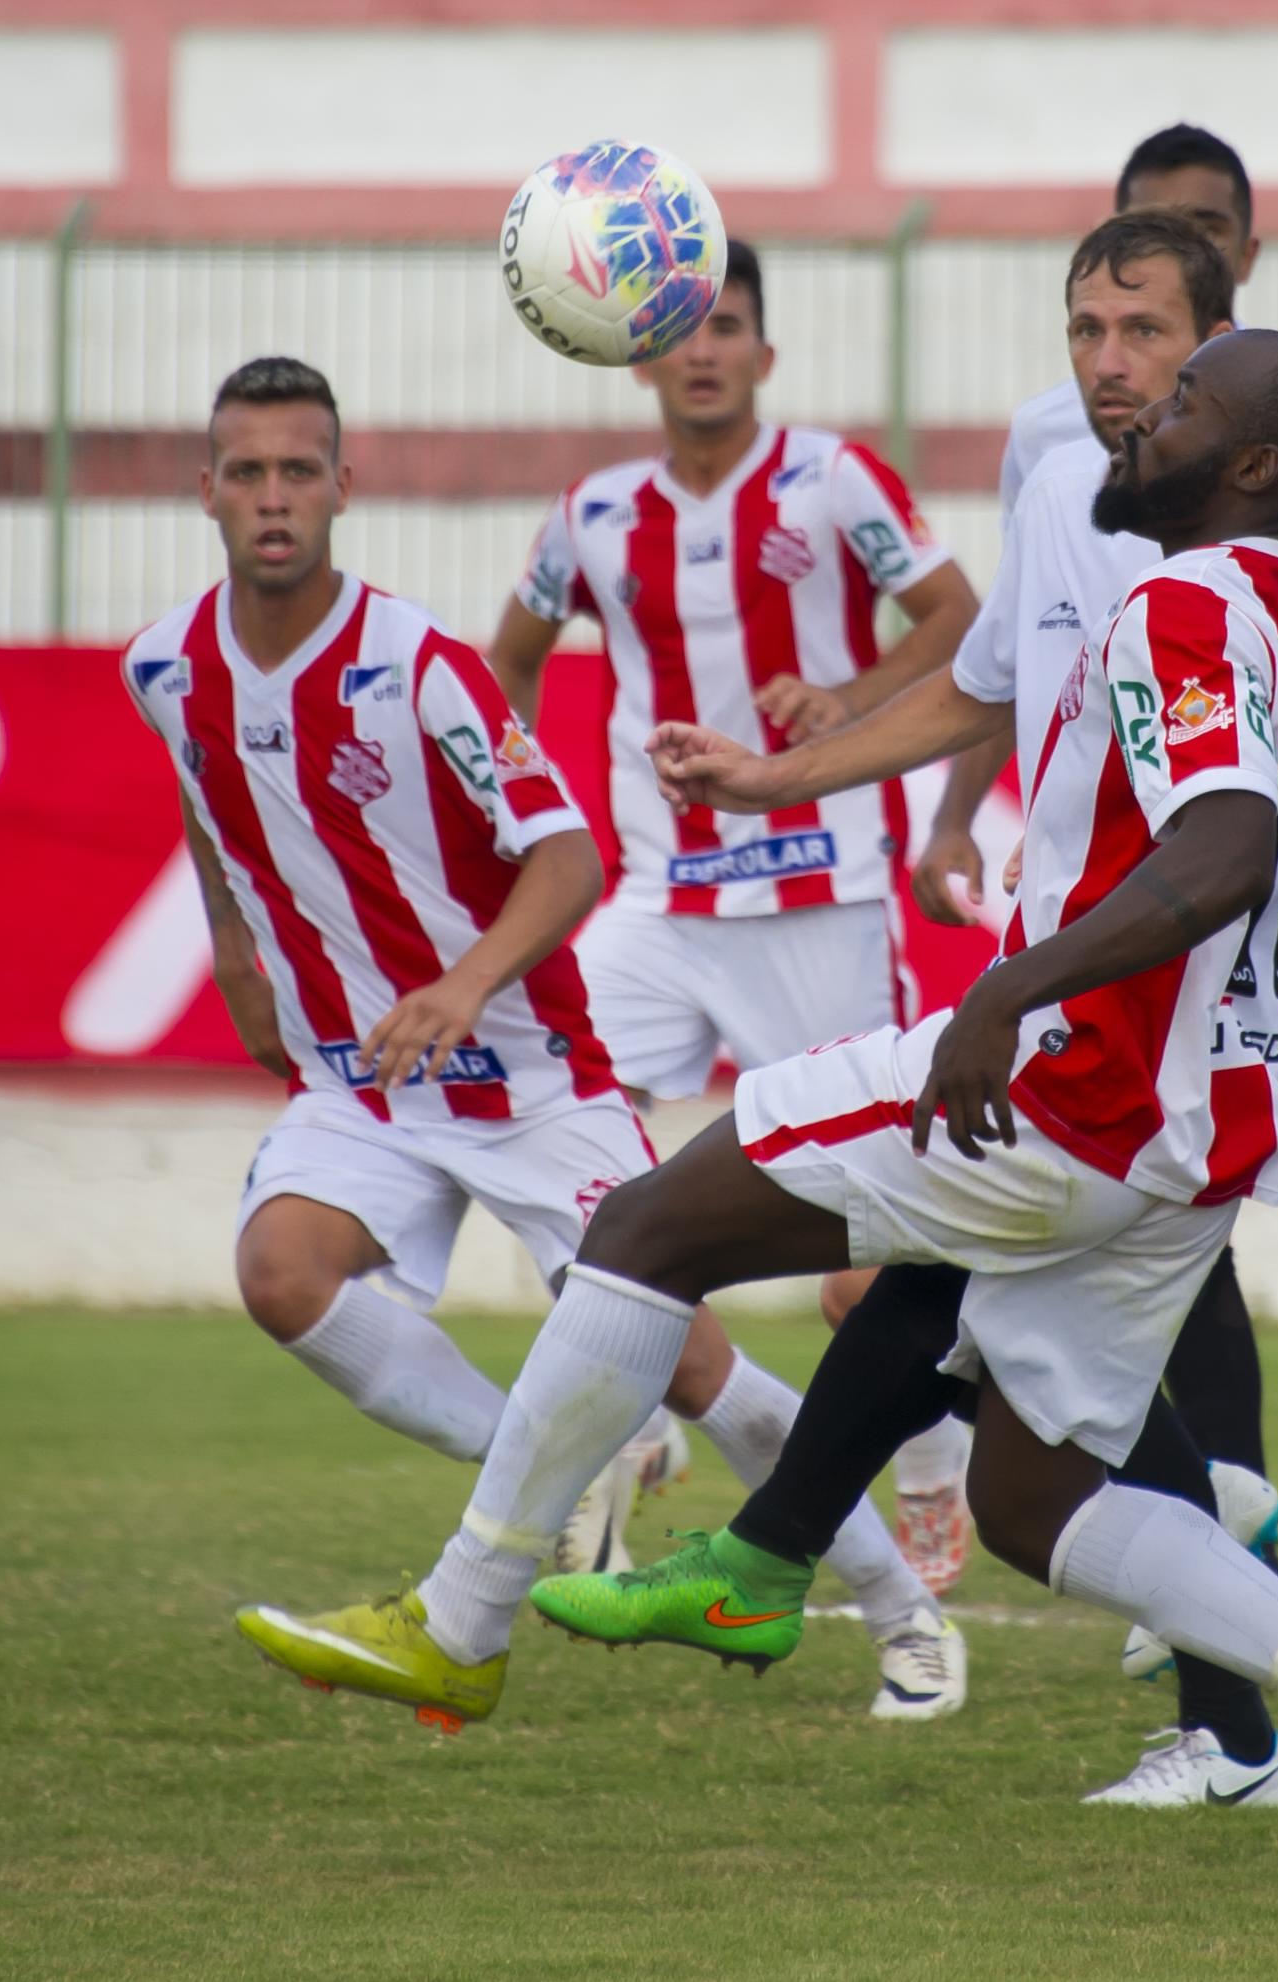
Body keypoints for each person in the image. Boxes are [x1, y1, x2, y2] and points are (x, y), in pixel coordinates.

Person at [239, 329, 1278, 1894]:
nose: (1137, 403)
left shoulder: (1186, 601)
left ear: (1249, 465)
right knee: (1032, 1496)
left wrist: (1004, 988)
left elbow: (1224, 846)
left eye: (1184, 400)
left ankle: (460, 1620)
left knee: (643, 1228)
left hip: (1071, 1089)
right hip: (1201, 1127)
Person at [122, 354, 677, 1689]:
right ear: (205, 493)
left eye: (296, 471)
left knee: (694, 1356)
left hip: (527, 1067)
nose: (271, 497)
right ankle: (543, 1484)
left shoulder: (421, 663)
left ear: (342, 489)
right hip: (372, 1077)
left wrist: (466, 980)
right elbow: (209, 810)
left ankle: (902, 1611)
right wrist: (237, 955)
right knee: (281, 1273)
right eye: (245, 472)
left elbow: (566, 857)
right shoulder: (161, 667)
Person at [484, 240, 986, 1686]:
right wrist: (536, 800)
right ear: (637, 354)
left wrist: (841, 697)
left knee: (873, 1256)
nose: (706, 353)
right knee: (560, 1134)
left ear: (766, 355)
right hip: (653, 895)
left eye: (734, 330)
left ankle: (933, 1454)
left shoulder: (833, 482)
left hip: (821, 889)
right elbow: (500, 664)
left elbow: (958, 626)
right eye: (683, 333)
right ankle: (629, 1420)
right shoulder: (587, 514)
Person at [916, 128, 1278, 1567]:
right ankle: (1268, 1685)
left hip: (1212, 1008)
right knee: (1014, 1357)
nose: (1111, 359)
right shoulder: (1055, 479)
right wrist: (821, 779)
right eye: (1087, 324)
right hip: (1116, 1001)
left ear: (1227, 326)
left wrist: (1007, 989)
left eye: (1151, 336)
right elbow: (995, 679)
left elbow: (1228, 842)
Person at [992, 123, 1278, 522]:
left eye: (1206, 227)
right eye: (1149, 227)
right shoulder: (1042, 432)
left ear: (1246, 254)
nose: (1179, 242)